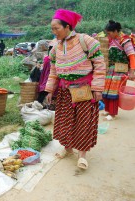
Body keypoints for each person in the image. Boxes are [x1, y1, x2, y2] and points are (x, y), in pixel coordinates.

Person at [45, 9, 106, 170]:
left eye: (56, 28)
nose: (54, 32)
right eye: (52, 29)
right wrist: (50, 90)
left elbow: (100, 64)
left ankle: (82, 156)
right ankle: (68, 148)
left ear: (67, 26)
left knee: (84, 122)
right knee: (65, 121)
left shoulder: (85, 41)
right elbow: (53, 71)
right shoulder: (55, 48)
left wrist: (98, 88)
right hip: (65, 91)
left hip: (84, 90)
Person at [102, 20, 135, 121]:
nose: (108, 35)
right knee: (107, 89)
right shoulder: (112, 40)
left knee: (114, 91)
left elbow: (132, 55)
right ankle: (108, 110)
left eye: (109, 33)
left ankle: (112, 114)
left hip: (121, 69)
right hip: (112, 69)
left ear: (116, 31)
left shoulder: (125, 40)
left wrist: (132, 71)